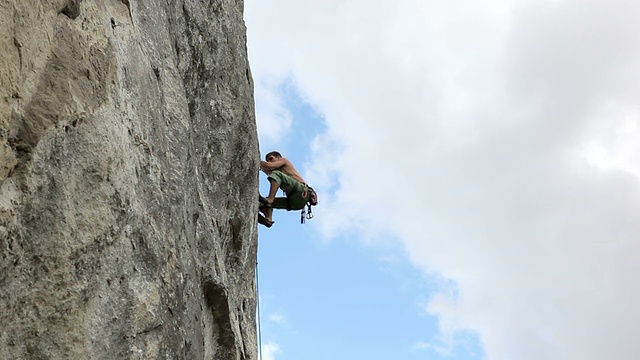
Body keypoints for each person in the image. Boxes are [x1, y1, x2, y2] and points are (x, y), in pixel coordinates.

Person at [259, 151, 311, 227]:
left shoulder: (284, 160)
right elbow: (268, 168)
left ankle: (270, 199)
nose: (269, 161)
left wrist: (257, 160)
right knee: (262, 203)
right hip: (295, 203)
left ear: (279, 157)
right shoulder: (279, 172)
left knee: (276, 174)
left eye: (271, 159)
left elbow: (268, 166)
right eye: (268, 160)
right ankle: (268, 219)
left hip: (301, 191)